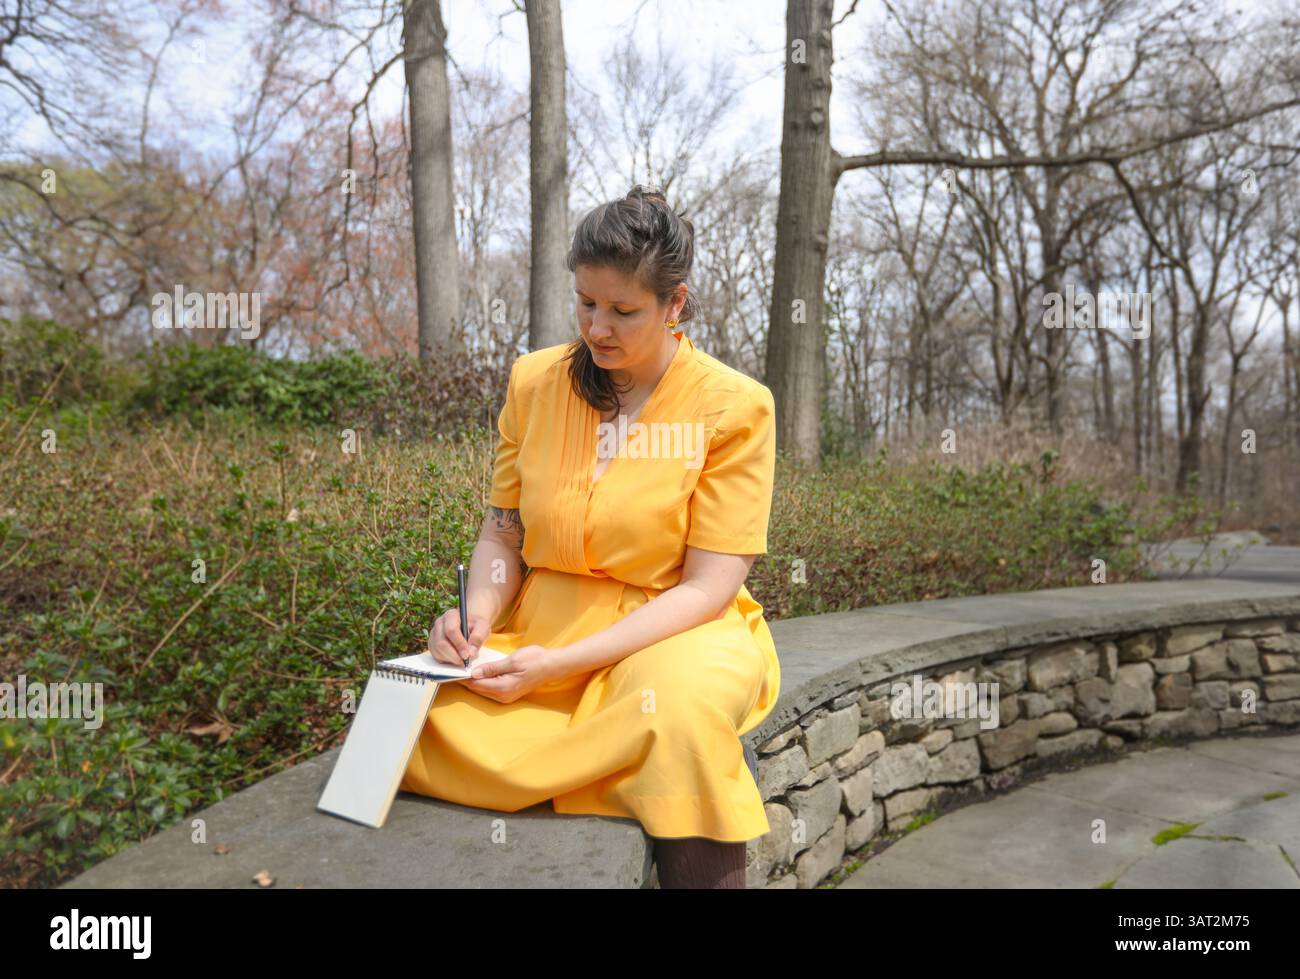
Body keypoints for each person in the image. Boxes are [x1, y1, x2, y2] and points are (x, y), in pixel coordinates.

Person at [399, 184, 781, 889]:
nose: (597, 328)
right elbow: (502, 537)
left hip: (676, 631)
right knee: (401, 708)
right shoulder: (533, 383)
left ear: (677, 305)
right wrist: (475, 618)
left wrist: (563, 665)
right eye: (586, 303)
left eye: (624, 310)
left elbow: (709, 586)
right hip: (539, 627)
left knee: (679, 716)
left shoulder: (736, 406)